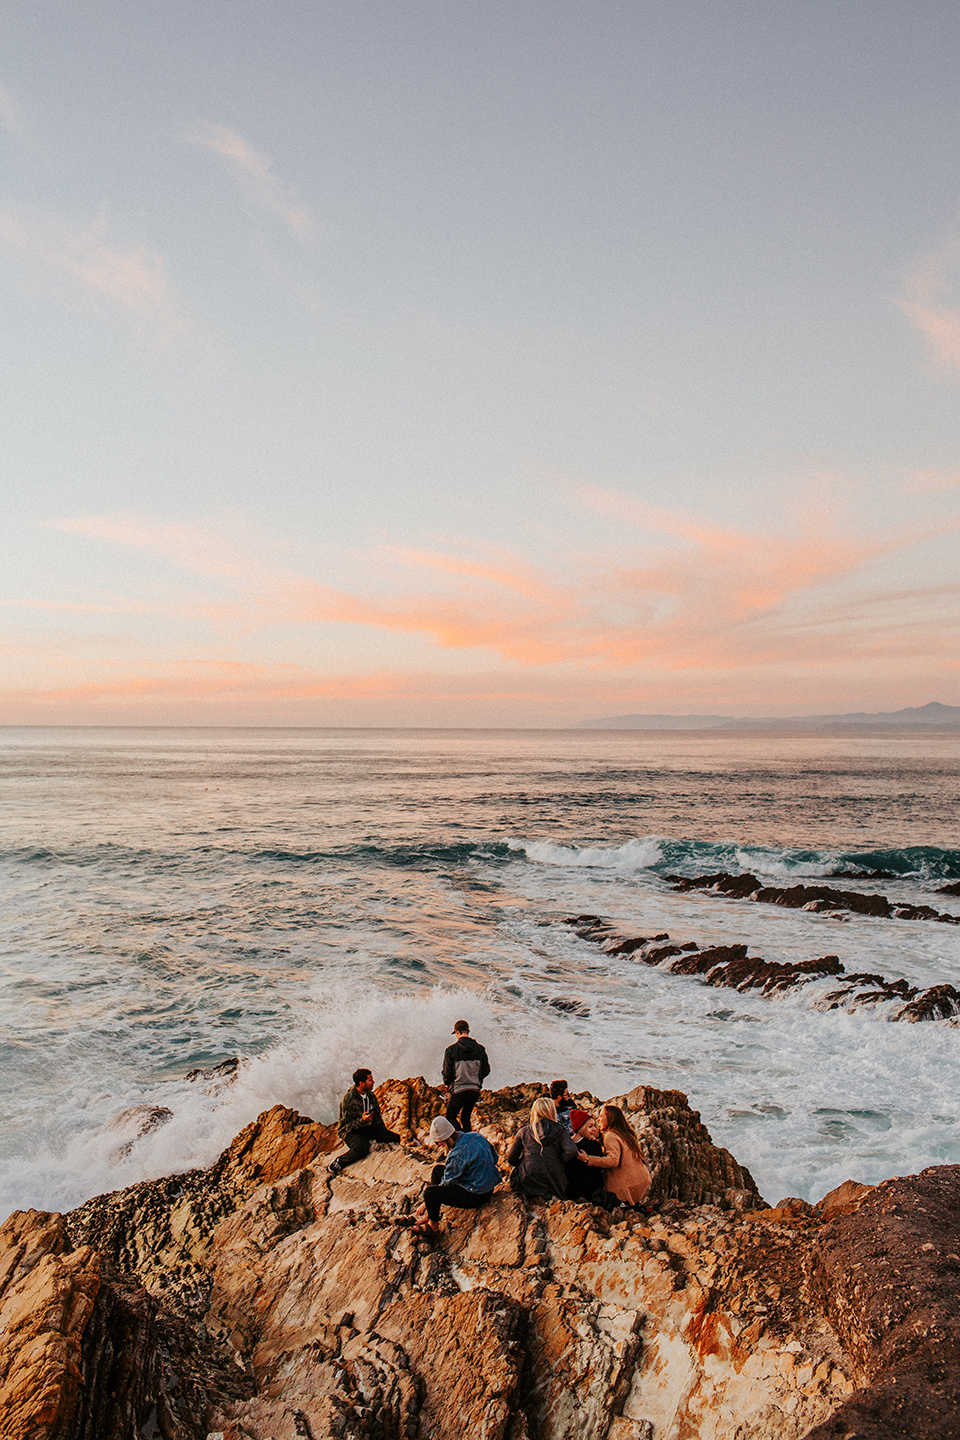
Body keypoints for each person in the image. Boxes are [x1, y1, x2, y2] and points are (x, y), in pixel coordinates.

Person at [412, 1115, 501, 1237]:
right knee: (438, 1170)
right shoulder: (475, 1136)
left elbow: (447, 1182)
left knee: (430, 1193)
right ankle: (432, 1214)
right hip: (488, 1187)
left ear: (444, 1140)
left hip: (477, 1195)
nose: (438, 1146)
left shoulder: (456, 1154)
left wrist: (425, 1204)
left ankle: (433, 1227)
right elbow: (495, 1157)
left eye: (438, 1143)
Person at [328, 1068, 401, 1175]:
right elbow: (346, 1126)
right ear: (361, 1083)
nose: (373, 1082)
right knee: (361, 1148)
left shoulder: (370, 1096)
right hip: (351, 1132)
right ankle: (339, 1162)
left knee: (394, 1138)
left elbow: (377, 1118)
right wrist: (362, 1121)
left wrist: (383, 1132)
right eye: (370, 1080)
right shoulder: (349, 1100)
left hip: (367, 1127)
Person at [506, 1097, 579, 1199]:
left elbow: (511, 1159)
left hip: (528, 1175)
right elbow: (571, 1150)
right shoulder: (560, 1130)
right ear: (551, 1111)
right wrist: (559, 1160)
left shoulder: (524, 1131)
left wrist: (525, 1162)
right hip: (553, 1177)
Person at [589, 1104, 652, 1207]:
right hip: (641, 1179)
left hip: (626, 1186)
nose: (598, 1119)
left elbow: (613, 1161)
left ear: (609, 1118)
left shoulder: (611, 1136)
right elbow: (617, 1147)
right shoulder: (626, 1133)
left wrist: (588, 1159)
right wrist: (600, 1138)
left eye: (601, 1116)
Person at [442, 1020, 490, 1132]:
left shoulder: (451, 1050)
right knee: (465, 1117)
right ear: (468, 1031)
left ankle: (462, 1139)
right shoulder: (480, 1049)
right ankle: (468, 1139)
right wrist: (476, 1079)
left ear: (457, 1032)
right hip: (474, 1089)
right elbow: (486, 1070)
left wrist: (448, 1083)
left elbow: (447, 1073)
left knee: (450, 1117)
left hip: (459, 1089)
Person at [563, 1109, 609, 1203]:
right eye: (590, 1126)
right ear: (580, 1127)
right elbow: (599, 1170)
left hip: (572, 1193)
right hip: (592, 1193)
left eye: (595, 1126)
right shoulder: (594, 1146)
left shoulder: (567, 1144)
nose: (594, 1129)